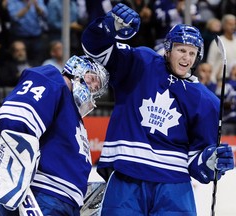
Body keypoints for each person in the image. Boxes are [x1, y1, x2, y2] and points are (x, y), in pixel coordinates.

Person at [81, 3, 234, 215]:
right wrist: (110, 26)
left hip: (173, 186)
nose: (186, 58)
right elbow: (95, 49)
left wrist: (210, 161)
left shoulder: (207, 101)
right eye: (181, 50)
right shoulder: (142, 63)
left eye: (192, 52)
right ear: (168, 49)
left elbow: (197, 161)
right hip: (128, 174)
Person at [0, 55, 109, 216]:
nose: (93, 86)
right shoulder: (53, 80)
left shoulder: (72, 114)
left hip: (60, 202)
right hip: (41, 196)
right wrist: (19, 157)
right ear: (77, 69)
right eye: (92, 78)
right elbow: (14, 119)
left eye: (97, 87)